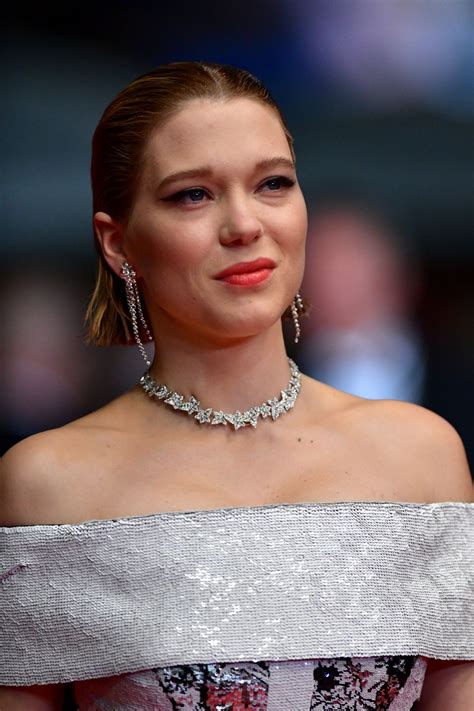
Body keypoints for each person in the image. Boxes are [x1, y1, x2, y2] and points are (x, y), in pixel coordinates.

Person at [0, 61, 472, 710]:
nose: (244, 224)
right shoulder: (49, 484)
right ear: (118, 244)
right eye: (192, 194)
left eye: (273, 183)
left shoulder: (421, 457)